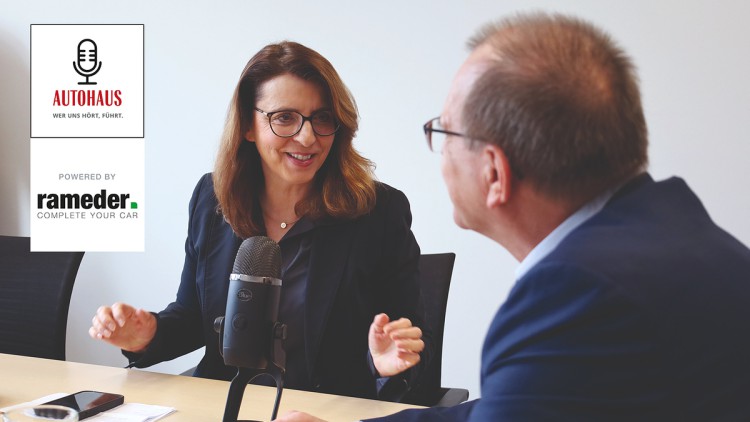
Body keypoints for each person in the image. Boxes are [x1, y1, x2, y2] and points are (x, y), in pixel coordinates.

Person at [275, 12, 750, 422]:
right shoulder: (671, 229)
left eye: (443, 131)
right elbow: (507, 409)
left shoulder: (577, 294)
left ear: (494, 172)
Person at [89, 41, 430, 402]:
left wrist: (386, 364)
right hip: (225, 406)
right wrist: (146, 336)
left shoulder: (378, 211)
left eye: (322, 118)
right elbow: (194, 318)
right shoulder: (212, 198)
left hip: (321, 411)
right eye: (284, 117)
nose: (308, 137)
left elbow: (407, 339)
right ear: (248, 125)